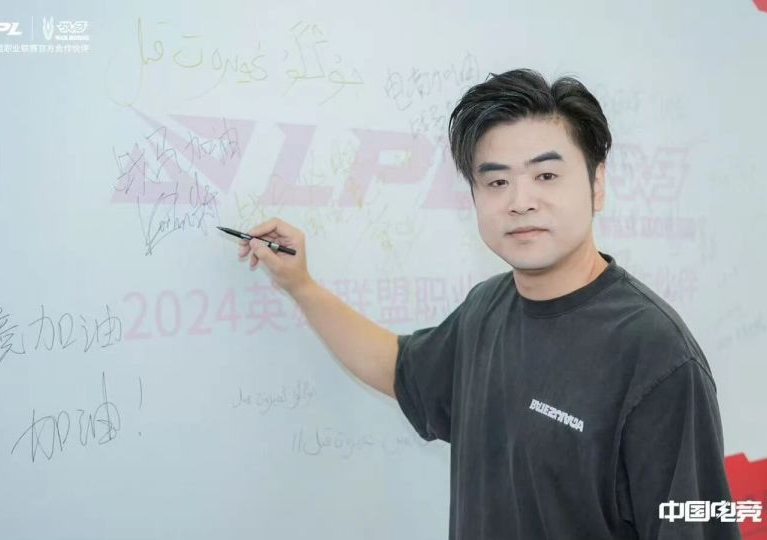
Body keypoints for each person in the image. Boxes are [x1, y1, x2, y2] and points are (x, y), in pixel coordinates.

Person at [235, 69, 740, 539]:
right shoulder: (485, 308)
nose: (520, 201)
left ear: (597, 183)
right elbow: (399, 367)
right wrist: (301, 285)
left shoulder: (656, 355)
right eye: (497, 181)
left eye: (546, 176)